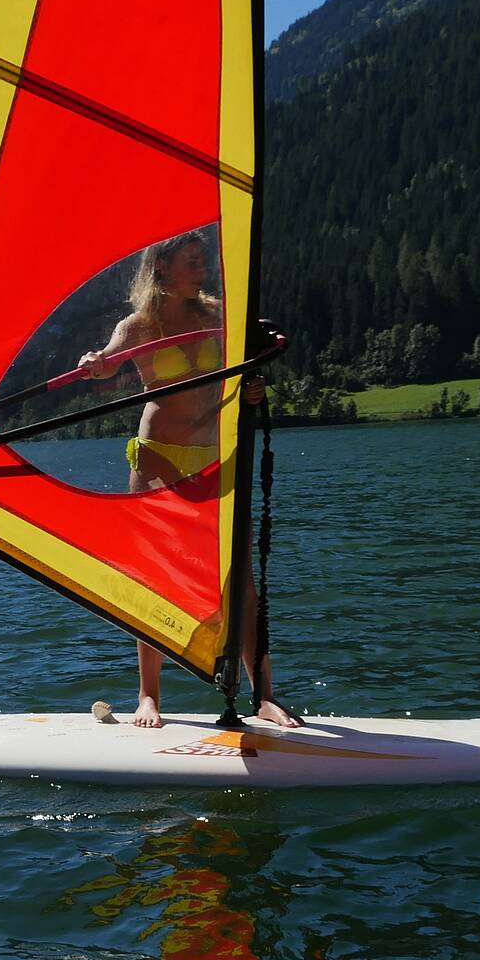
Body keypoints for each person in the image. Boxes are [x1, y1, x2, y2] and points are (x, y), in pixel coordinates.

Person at [77, 228, 300, 730]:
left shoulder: (220, 316)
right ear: (162, 268)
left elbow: (247, 369)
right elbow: (107, 365)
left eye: (203, 261)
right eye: (192, 261)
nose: (202, 269)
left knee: (239, 580)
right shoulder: (138, 326)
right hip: (159, 459)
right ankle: (148, 697)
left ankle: (265, 697)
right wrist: (94, 364)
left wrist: (255, 390)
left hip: (216, 458)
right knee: (155, 575)